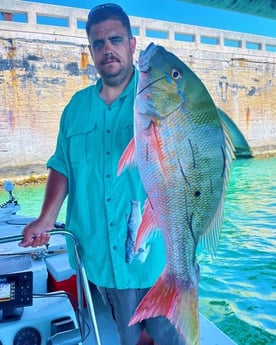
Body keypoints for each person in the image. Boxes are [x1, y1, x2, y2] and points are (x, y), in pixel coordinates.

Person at [19, 4, 184, 345]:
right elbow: (62, 164)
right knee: (131, 336)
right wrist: (46, 218)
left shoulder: (160, 97)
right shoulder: (76, 107)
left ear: (132, 44)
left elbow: (188, 160)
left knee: (167, 337)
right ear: (91, 50)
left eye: (115, 39)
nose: (107, 49)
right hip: (97, 250)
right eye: (98, 43)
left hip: (153, 253)